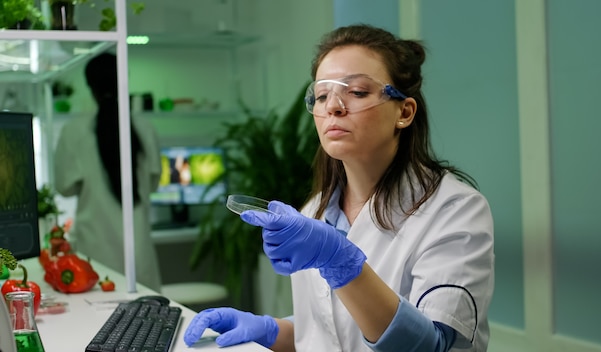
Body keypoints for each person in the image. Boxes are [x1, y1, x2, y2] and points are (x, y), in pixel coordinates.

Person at [183, 24, 494, 352]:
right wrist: (270, 331)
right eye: (321, 95)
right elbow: (326, 334)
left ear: (404, 111)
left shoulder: (455, 209)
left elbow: (434, 346)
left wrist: (341, 263)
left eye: (357, 92)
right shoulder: (315, 211)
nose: (333, 106)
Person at [54, 52, 163, 292]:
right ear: (124, 81)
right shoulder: (144, 128)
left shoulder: (74, 131)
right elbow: (154, 184)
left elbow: (64, 186)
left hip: (94, 261)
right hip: (139, 258)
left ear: (90, 87)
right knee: (148, 325)